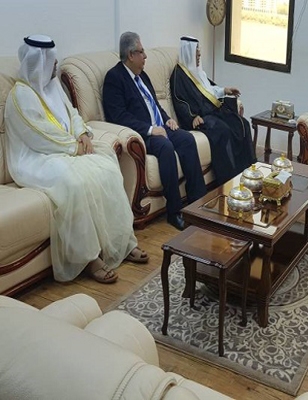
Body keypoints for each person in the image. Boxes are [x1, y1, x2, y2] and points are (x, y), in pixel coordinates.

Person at [4, 35, 148, 284]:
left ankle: (121, 243)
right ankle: (89, 259)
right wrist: (73, 147)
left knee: (107, 167)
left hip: (66, 150)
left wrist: (82, 134)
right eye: (51, 60)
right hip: (35, 159)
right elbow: (38, 135)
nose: (55, 64)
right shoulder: (20, 96)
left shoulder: (52, 86)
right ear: (38, 62)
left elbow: (72, 113)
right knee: (73, 183)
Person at [102, 32, 206, 231]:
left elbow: (155, 105)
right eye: (141, 52)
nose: (145, 56)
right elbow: (119, 117)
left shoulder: (142, 75)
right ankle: (174, 212)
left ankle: (197, 203)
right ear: (130, 55)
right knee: (165, 147)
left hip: (160, 127)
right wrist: (151, 129)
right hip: (143, 134)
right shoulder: (114, 78)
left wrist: (167, 119)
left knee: (186, 139)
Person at [170, 36, 255, 184]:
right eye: (197, 55)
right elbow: (180, 101)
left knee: (243, 124)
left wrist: (224, 90)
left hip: (212, 111)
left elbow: (209, 90)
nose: (199, 57)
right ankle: (229, 179)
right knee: (223, 131)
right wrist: (192, 117)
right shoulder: (179, 75)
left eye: (199, 54)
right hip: (200, 117)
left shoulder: (198, 72)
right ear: (189, 54)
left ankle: (248, 171)